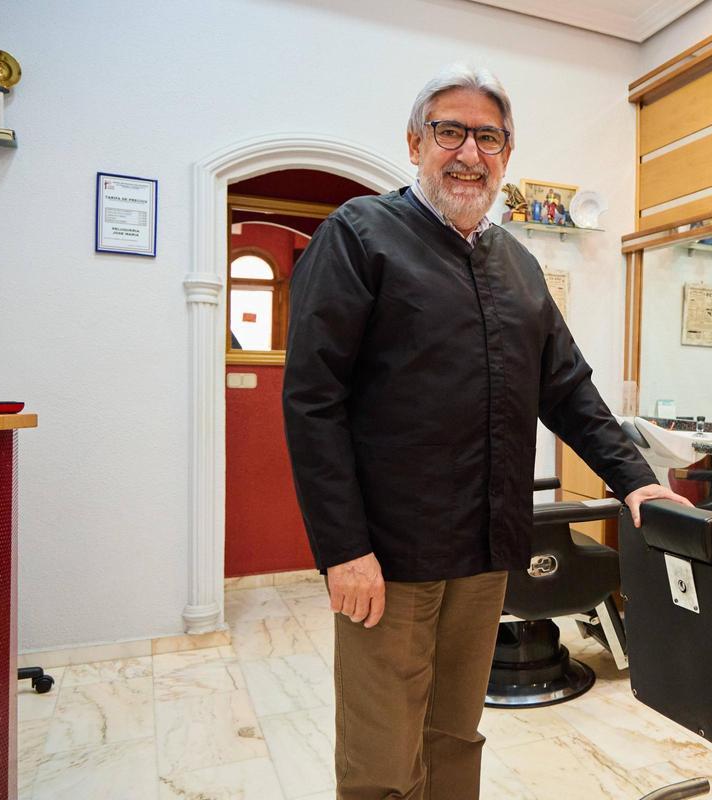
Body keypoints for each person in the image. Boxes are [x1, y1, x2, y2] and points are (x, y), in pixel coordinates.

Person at [281, 64, 689, 800]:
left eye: (489, 138)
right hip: (391, 557)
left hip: (485, 550)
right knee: (382, 756)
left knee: (454, 734)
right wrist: (343, 550)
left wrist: (638, 481)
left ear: (506, 156)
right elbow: (313, 402)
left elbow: (568, 391)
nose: (469, 152)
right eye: (450, 131)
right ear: (415, 142)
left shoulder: (519, 267)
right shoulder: (359, 237)